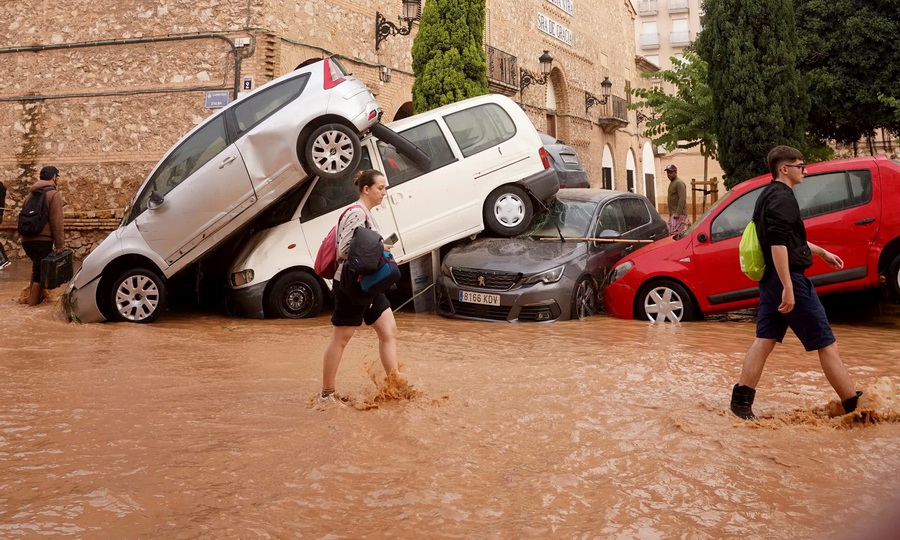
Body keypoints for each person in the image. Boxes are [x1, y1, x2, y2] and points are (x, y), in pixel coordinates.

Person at [730, 146, 861, 420]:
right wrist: (789, 287)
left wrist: (822, 252)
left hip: (770, 280)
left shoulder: (766, 195)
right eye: (800, 165)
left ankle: (740, 404)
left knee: (764, 340)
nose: (805, 170)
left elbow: (790, 239)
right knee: (826, 343)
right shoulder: (783, 198)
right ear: (784, 168)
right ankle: (855, 408)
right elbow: (778, 245)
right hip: (787, 279)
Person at [320, 169, 402, 403]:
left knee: (389, 331)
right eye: (380, 188)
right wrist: (381, 248)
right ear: (367, 189)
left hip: (368, 284)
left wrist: (379, 247)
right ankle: (327, 394)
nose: (384, 193)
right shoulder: (356, 214)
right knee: (341, 338)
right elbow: (344, 251)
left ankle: (394, 386)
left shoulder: (366, 213)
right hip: (351, 285)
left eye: (384, 188)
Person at [20, 165, 66, 305]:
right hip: (43, 240)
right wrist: (60, 245)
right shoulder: (53, 194)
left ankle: (35, 299)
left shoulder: (30, 195)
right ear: (53, 177)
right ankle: (31, 307)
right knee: (40, 273)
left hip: (26, 240)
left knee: (37, 268)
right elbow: (56, 221)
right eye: (57, 177)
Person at [665, 164, 687, 236]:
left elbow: (682, 198)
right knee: (673, 234)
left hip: (678, 214)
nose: (669, 174)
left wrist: (678, 212)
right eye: (668, 173)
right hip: (673, 213)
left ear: (675, 172)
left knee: (675, 234)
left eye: (670, 172)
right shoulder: (673, 182)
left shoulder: (679, 183)